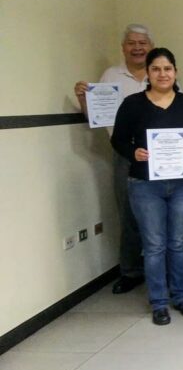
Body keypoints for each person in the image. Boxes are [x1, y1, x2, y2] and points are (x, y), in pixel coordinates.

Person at [111, 47, 183, 325]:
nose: (162, 74)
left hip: (182, 184)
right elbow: (117, 140)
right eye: (156, 69)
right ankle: (159, 302)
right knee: (154, 245)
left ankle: (180, 297)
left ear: (176, 72)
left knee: (177, 244)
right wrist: (134, 153)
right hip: (144, 184)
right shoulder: (132, 104)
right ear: (148, 74)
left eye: (167, 68)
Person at [73, 23, 154, 294]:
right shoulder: (110, 75)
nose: (137, 47)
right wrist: (84, 100)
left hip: (160, 155)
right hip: (124, 155)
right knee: (128, 214)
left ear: (150, 47)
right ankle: (131, 271)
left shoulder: (159, 73)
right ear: (123, 48)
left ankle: (163, 271)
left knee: (162, 214)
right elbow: (95, 118)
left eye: (142, 42)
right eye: (132, 43)